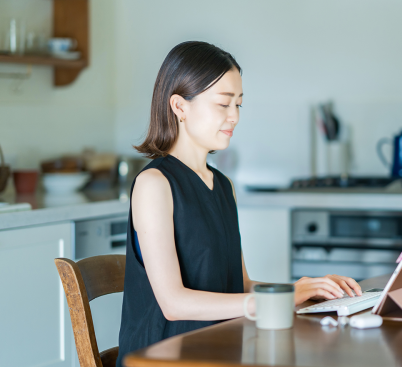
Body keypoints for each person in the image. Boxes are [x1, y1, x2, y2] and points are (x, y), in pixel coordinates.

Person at [116, 41, 362, 367]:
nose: (234, 116)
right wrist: (281, 300)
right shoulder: (154, 185)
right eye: (223, 104)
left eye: (239, 105)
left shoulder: (222, 186)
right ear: (179, 106)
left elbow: (242, 285)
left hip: (220, 352)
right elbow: (174, 304)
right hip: (166, 359)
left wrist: (305, 289)